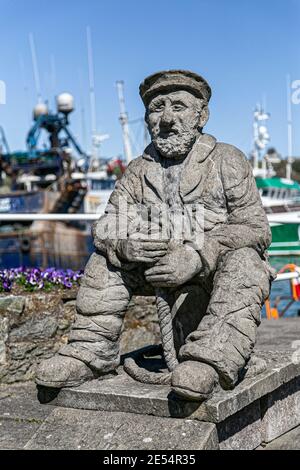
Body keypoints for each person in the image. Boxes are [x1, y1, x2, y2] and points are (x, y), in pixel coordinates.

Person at [36, 70, 273, 401]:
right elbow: (108, 224)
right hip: (154, 271)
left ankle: (210, 361)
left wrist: (199, 254)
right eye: (157, 108)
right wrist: (125, 243)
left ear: (201, 115)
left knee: (248, 264)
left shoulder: (226, 160)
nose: (167, 118)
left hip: (209, 271)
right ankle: (89, 352)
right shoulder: (138, 169)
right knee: (105, 260)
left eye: (178, 106)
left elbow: (255, 228)